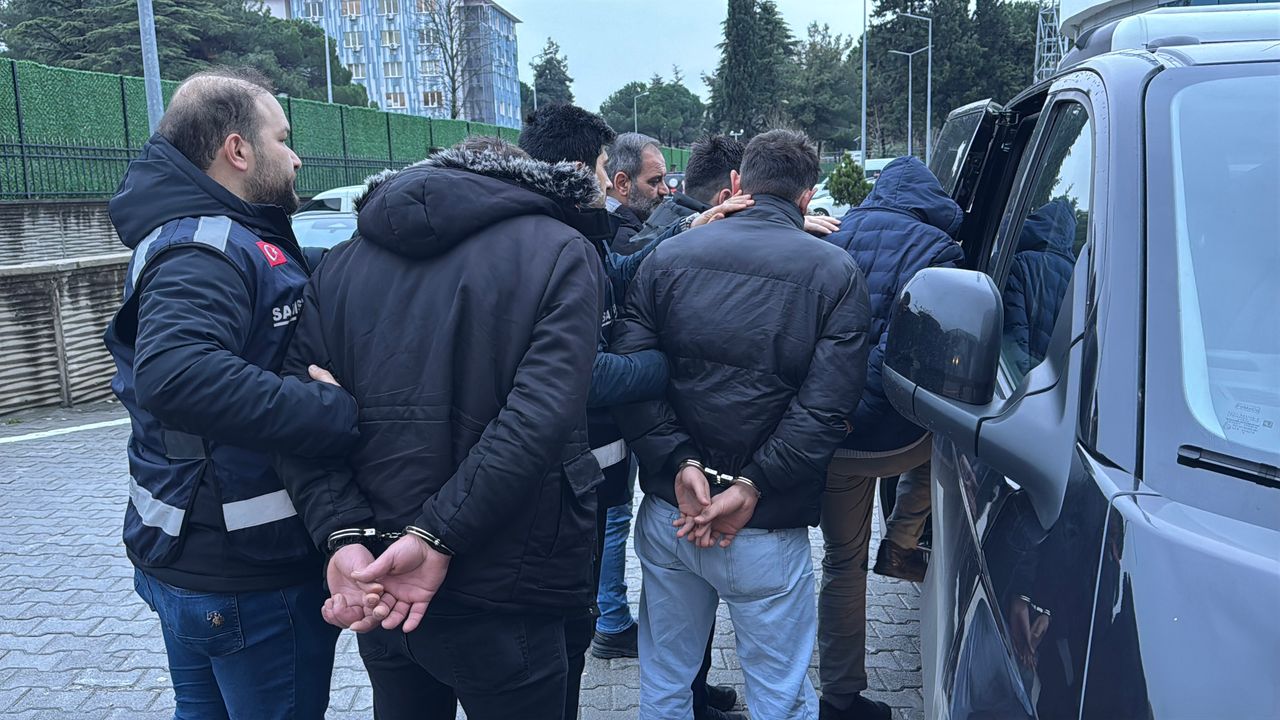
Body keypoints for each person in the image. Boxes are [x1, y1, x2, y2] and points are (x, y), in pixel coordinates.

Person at [275, 136, 605, 720]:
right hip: (504, 579)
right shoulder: (559, 249)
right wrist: (434, 537)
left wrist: (343, 535)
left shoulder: (343, 262)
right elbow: (539, 416)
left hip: (379, 573)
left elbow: (301, 414)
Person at [102, 68, 360, 719]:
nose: (296, 157)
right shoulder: (207, 246)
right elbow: (176, 374)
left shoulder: (201, 235)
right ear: (237, 149)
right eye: (283, 138)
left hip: (196, 562)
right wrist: (328, 412)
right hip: (245, 576)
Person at [613, 129, 872, 720]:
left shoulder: (667, 257)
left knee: (664, 683)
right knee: (780, 697)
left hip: (673, 511)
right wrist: (753, 485)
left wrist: (678, 463)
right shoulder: (836, 272)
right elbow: (826, 408)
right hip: (765, 526)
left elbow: (634, 376)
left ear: (736, 184)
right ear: (806, 197)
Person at [517, 105, 743, 719]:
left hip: (584, 465)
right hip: (557, 471)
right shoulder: (550, 242)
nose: (606, 180)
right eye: (600, 167)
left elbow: (615, 273)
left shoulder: (576, 233)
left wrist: (691, 227)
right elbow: (582, 375)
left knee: (577, 611)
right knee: (565, 626)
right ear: (578, 170)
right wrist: (672, 369)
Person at [818, 155, 966, 720]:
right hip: (894, 435)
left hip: (829, 429)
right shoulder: (940, 252)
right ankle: (903, 541)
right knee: (950, 436)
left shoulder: (833, 235)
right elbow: (913, 353)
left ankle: (840, 697)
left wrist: (829, 415)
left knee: (840, 563)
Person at [605, 132, 670, 255]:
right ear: (622, 183)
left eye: (663, 179)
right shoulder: (625, 241)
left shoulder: (606, 228)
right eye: (655, 181)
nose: (665, 190)